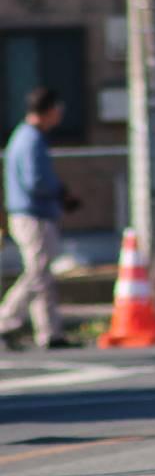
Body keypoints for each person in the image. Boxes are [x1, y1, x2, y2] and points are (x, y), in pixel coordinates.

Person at [1, 87, 76, 350]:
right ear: (49, 110)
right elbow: (36, 181)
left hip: (30, 214)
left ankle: (50, 332)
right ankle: (5, 321)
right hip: (33, 216)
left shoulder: (25, 136)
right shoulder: (31, 139)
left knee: (43, 274)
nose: (60, 115)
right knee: (37, 273)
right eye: (58, 109)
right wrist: (61, 193)